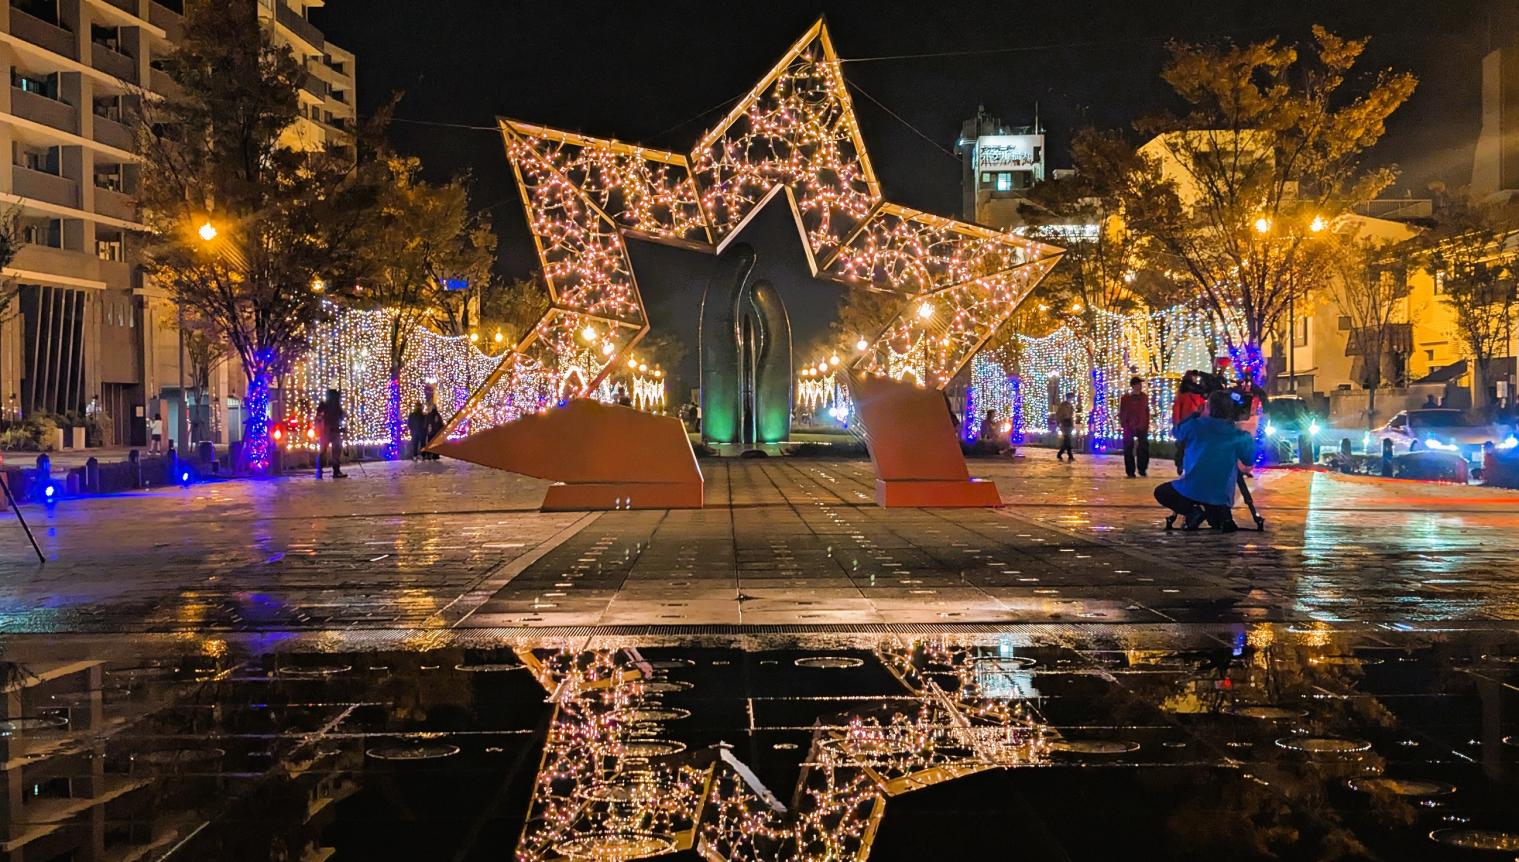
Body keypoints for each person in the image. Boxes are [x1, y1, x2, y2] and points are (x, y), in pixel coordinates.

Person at [1154, 389, 1255, 532]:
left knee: (1162, 492)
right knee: (1220, 522)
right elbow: (1248, 460)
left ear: (1209, 408)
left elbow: (1177, 432)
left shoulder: (1195, 426)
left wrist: (1196, 414)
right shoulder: (1238, 435)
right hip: (1221, 496)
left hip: (1191, 490)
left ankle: (1194, 511)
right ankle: (1217, 514)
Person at [1171, 371, 1207, 474]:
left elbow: (1176, 411)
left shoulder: (1182, 396)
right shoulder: (1200, 396)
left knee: (1182, 446)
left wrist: (1177, 424)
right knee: (1192, 446)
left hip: (1185, 424)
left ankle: (1180, 464)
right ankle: (1187, 465)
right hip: (1196, 425)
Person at [1119, 376, 1150, 478]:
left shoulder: (1144, 397)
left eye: (1140, 384)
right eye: (1138, 384)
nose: (1140, 386)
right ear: (1133, 386)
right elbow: (1122, 412)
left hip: (1142, 426)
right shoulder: (1125, 398)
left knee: (1143, 448)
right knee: (1128, 449)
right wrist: (1124, 424)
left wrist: (1146, 423)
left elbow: (1146, 411)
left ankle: (1142, 469)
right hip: (1129, 426)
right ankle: (1130, 471)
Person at [314, 388, 347, 478]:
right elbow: (318, 417)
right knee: (326, 450)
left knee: (335, 450)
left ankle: (333, 470)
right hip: (327, 430)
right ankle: (322, 470)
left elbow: (340, 417)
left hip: (333, 430)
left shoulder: (333, 407)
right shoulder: (325, 406)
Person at [1054, 393, 1076, 461]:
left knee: (1067, 439)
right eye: (1071, 398)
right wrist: (1058, 423)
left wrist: (1072, 424)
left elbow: (1071, 415)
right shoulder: (1063, 405)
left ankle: (1061, 454)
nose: (1072, 399)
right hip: (1065, 422)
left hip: (1069, 422)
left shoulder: (1070, 405)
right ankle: (1069, 455)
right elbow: (1059, 414)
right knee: (1067, 439)